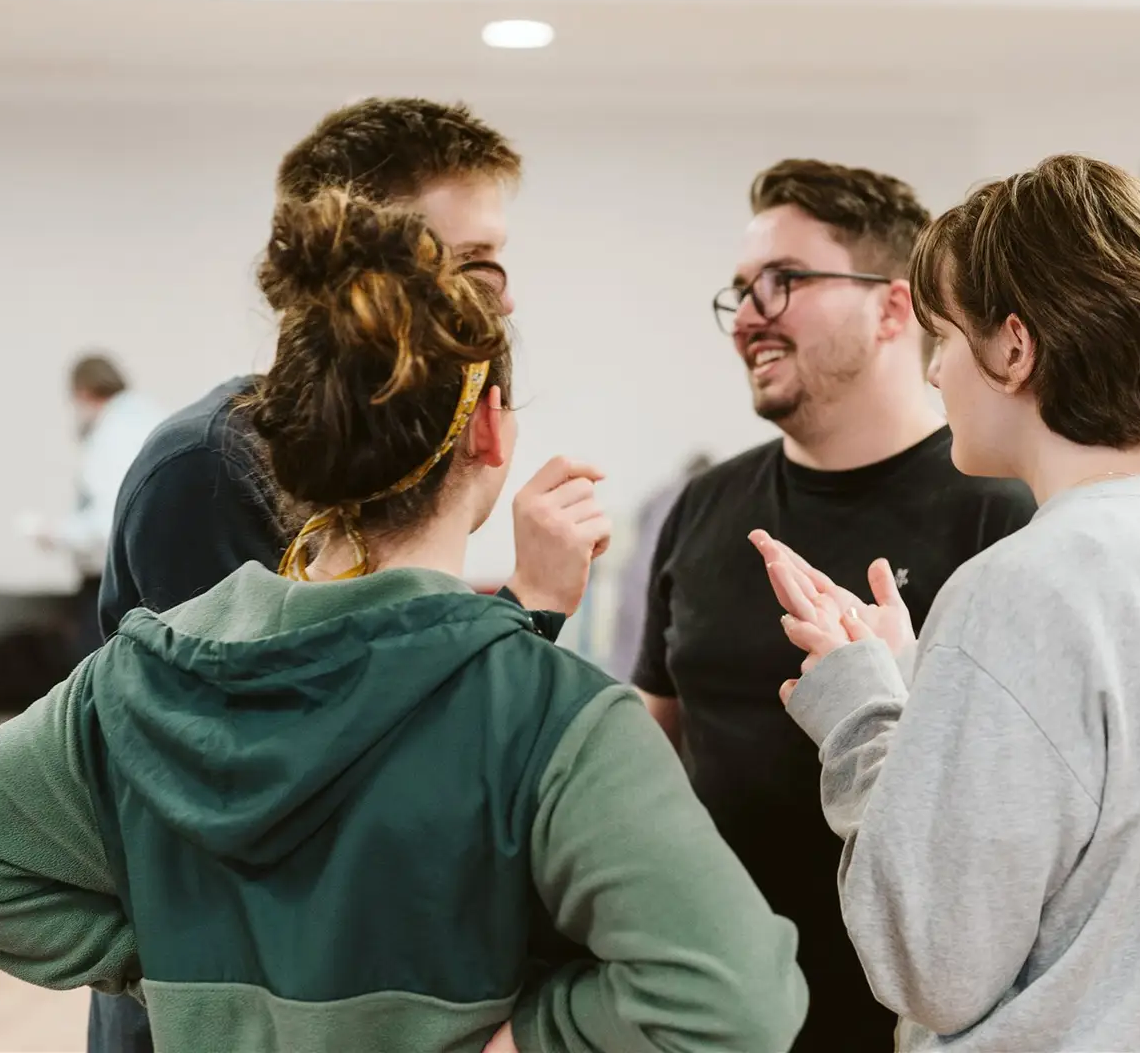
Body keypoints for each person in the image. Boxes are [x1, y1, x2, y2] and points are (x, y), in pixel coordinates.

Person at [0, 205, 808, 1053]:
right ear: (488, 430)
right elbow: (734, 1000)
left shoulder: (131, 677)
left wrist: (171, 968)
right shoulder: (556, 716)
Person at [82, 97, 667, 1053]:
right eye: (478, 263)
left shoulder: (350, 466)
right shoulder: (213, 468)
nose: (505, 298)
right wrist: (530, 609)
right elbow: (299, 782)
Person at [751, 154, 1140, 1051]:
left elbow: (930, 961)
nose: (935, 372)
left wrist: (863, 714)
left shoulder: (1018, 585)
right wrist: (919, 689)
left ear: (1014, 348)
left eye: (944, 337)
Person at [632, 158, 1036, 1051]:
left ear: (895, 308)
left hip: (904, 1013)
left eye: (784, 282)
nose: (747, 316)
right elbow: (656, 739)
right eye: (739, 290)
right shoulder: (701, 508)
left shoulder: (999, 514)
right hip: (714, 1004)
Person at [26, 356, 162, 660]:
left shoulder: (111, 435)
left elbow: (107, 522)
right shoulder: (151, 418)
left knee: (95, 678)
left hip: (113, 582)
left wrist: (56, 533)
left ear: (83, 392)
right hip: (154, 578)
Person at [604, 451, 711, 678]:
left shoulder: (660, 495)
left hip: (636, 582)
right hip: (658, 586)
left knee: (629, 662)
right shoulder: (700, 498)